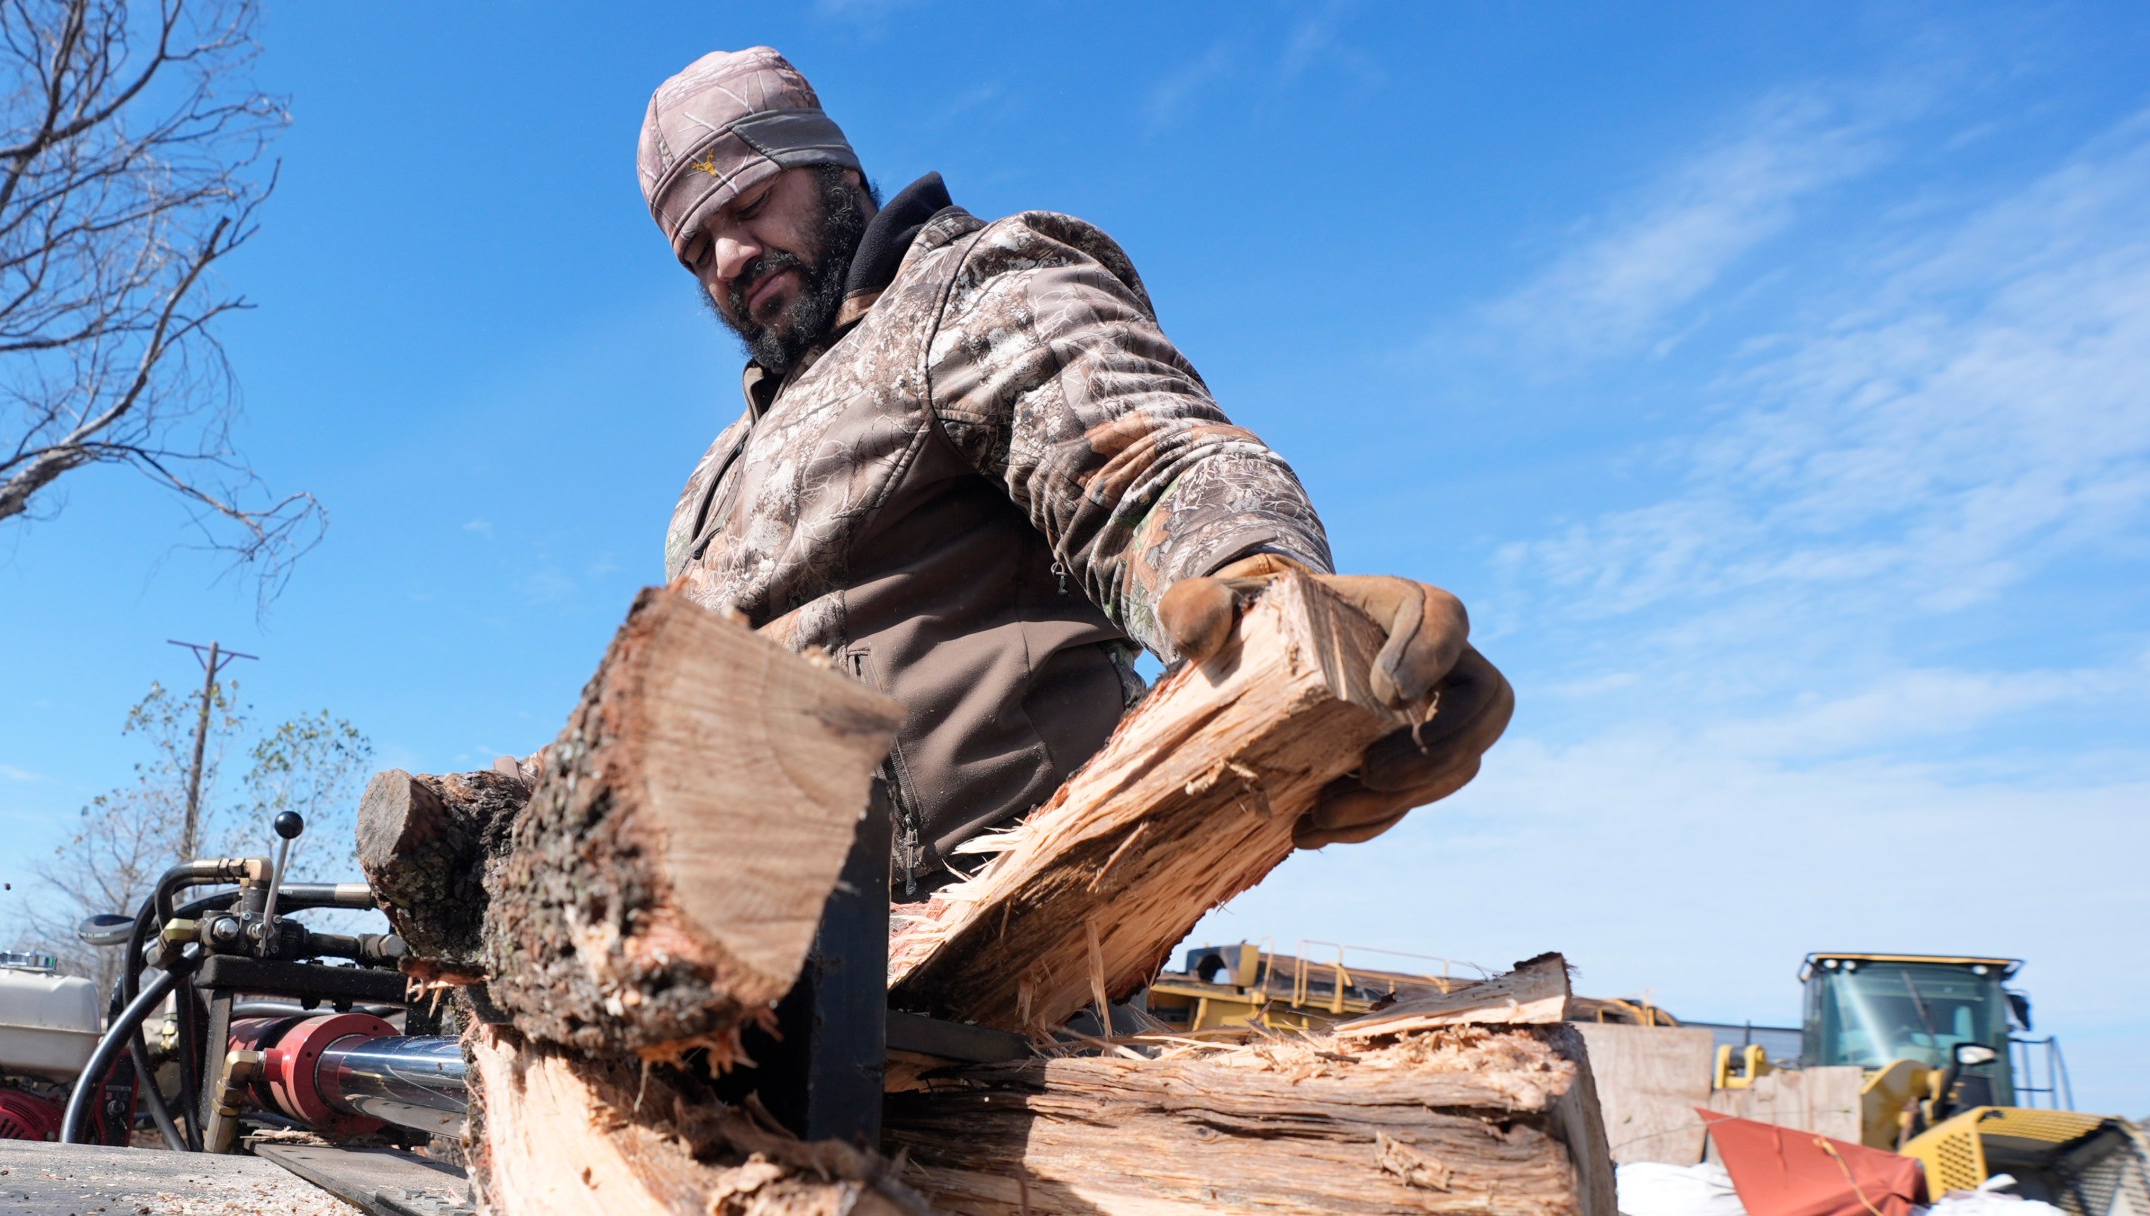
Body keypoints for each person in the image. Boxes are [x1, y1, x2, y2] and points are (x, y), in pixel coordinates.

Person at [639, 47, 1511, 895]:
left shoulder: (963, 296)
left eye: (750, 202)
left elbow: (1142, 464)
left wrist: (1265, 594)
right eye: (697, 249)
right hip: (780, 1002)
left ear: (836, 174)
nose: (729, 257)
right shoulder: (711, 487)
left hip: (1010, 954)